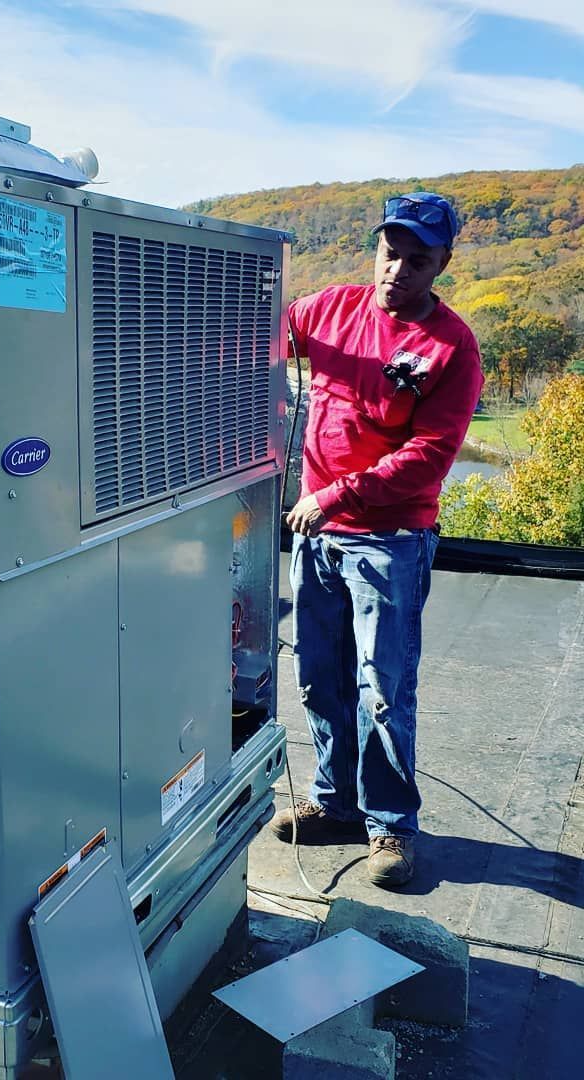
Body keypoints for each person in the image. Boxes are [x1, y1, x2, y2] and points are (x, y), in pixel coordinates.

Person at [270, 192, 484, 887]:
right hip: (317, 536)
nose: (397, 270)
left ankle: (390, 829)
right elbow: (261, 338)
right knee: (317, 680)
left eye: (417, 260)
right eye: (390, 253)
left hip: (388, 541)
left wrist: (333, 495)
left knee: (383, 690)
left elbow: (428, 453)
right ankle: (333, 806)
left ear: (441, 263)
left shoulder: (451, 348)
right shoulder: (329, 308)